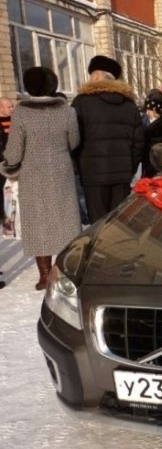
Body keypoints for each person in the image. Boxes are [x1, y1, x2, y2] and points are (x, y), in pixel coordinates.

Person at [0, 67, 81, 290]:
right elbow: (73, 141)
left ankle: (45, 275)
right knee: (65, 219)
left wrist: (7, 166)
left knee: (37, 222)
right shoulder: (66, 110)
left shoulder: (22, 112)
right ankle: (61, 271)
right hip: (61, 169)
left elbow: (14, 149)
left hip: (32, 172)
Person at [71, 55, 144, 224]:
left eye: (91, 75)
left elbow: (74, 139)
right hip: (122, 175)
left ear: (96, 76)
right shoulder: (129, 104)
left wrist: (80, 165)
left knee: (98, 224)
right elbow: (138, 143)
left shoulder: (81, 102)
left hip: (92, 175)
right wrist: (129, 168)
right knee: (119, 224)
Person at [141, 89, 162, 177]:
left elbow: (153, 151)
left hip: (154, 170)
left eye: (149, 110)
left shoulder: (159, 128)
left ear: (156, 110)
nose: (147, 113)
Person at [0, 97, 14, 232]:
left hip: (14, 162)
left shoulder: (15, 121)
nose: (12, 109)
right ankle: (4, 218)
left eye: (12, 106)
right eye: (9, 107)